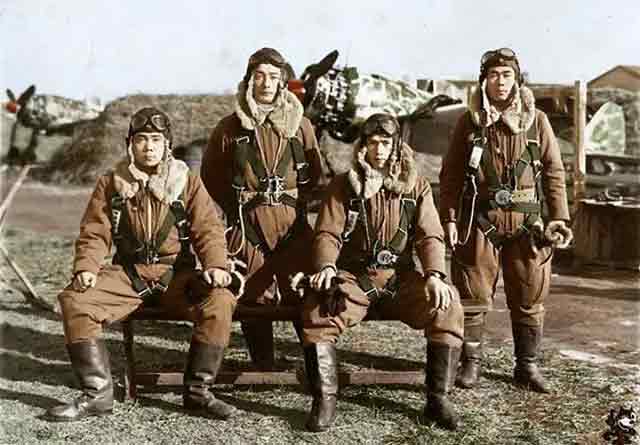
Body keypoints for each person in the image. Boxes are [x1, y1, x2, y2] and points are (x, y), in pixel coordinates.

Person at [47, 107, 240, 421]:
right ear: (130, 144)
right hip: (128, 274)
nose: (149, 147)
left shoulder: (187, 182)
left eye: (156, 140)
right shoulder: (112, 182)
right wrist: (86, 267)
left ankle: (198, 394)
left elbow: (208, 229)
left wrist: (216, 265)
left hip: (177, 275)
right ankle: (97, 395)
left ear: (167, 144)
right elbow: (95, 232)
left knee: (219, 301)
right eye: (141, 139)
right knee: (75, 301)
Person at [300, 113, 464, 432]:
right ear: (362, 146)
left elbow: (430, 235)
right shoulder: (344, 185)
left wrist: (434, 274)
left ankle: (438, 399)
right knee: (319, 308)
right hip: (355, 278)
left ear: (397, 146)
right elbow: (327, 233)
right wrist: (327, 266)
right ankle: (325, 400)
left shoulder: (416, 186)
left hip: (400, 279)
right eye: (372, 143)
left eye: (385, 143)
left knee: (448, 305)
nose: (379, 150)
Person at [439, 48, 573, 393]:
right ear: (484, 81)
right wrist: (450, 219)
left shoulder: (537, 121)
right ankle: (471, 364)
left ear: (517, 80)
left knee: (530, 295)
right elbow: (450, 175)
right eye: (493, 75)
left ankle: (526, 366)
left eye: (507, 75)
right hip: (480, 220)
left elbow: (554, 173)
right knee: (473, 294)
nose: (500, 82)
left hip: (529, 223)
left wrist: (559, 217)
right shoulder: (469, 122)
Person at [201, 47, 323, 370]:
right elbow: (210, 175)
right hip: (248, 227)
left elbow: (315, 174)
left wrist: (291, 202)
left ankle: (315, 367)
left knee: (302, 288)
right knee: (253, 292)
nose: (266, 83)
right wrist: (240, 208)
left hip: (291, 225)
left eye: (273, 76)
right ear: (248, 80)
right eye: (259, 76)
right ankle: (264, 365)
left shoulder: (301, 127)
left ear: (282, 81)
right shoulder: (229, 128)